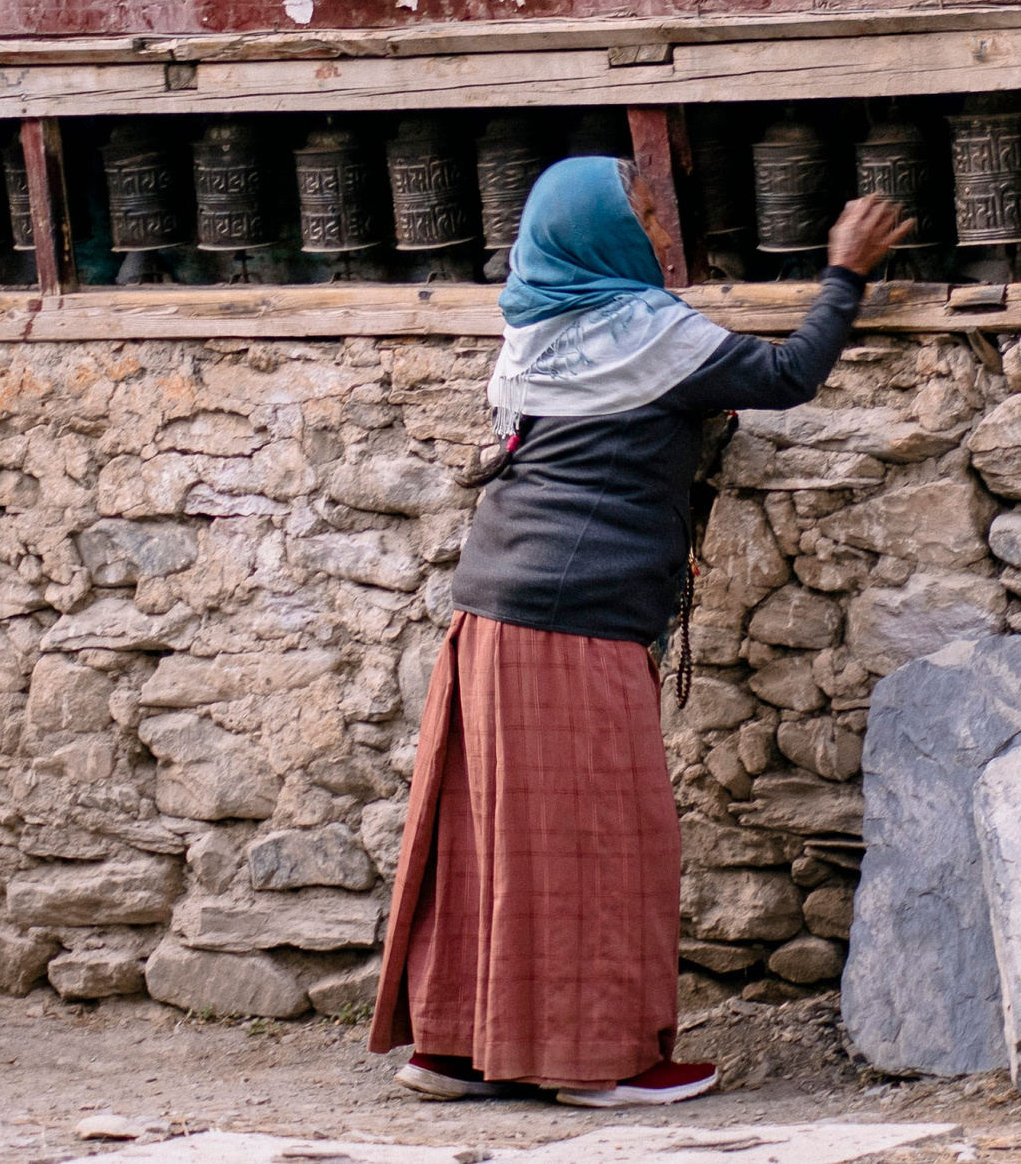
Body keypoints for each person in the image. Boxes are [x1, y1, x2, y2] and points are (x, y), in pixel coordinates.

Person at [367, 152, 911, 1108]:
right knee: (609, 841)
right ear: (601, 234)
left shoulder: (535, 324)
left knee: (491, 839)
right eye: (647, 213)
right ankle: (600, 1060)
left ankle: (455, 1044)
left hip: (489, 612)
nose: (664, 233)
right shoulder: (646, 333)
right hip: (575, 623)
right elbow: (787, 374)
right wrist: (845, 272)